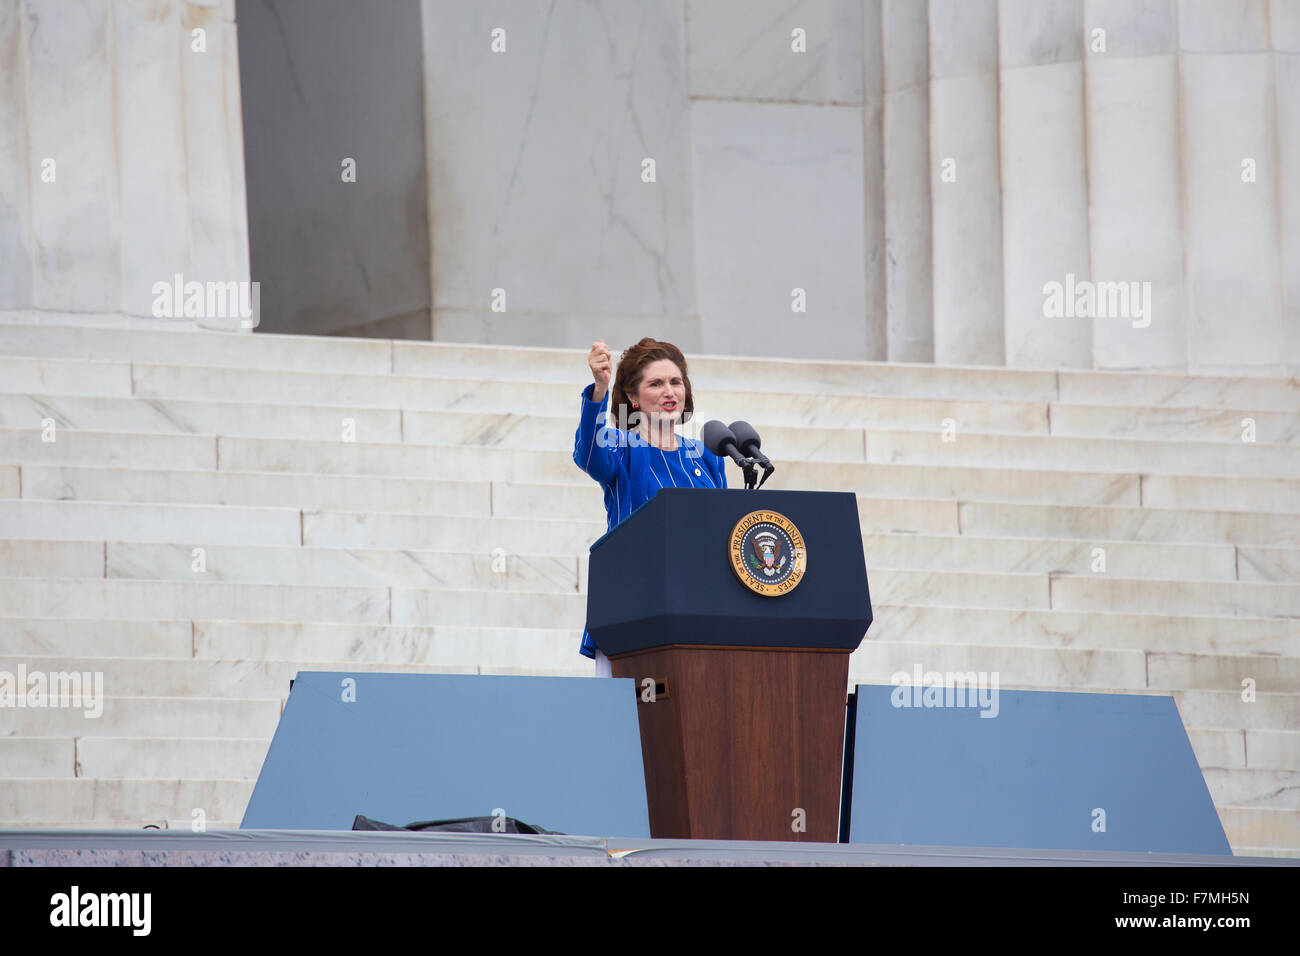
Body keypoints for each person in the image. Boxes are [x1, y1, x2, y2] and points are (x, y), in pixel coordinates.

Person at [573, 337, 729, 676]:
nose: (669, 391)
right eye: (655, 383)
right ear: (632, 397)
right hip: (633, 611)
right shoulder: (621, 445)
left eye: (676, 382)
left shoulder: (706, 456)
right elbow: (588, 456)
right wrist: (600, 387)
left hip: (698, 612)